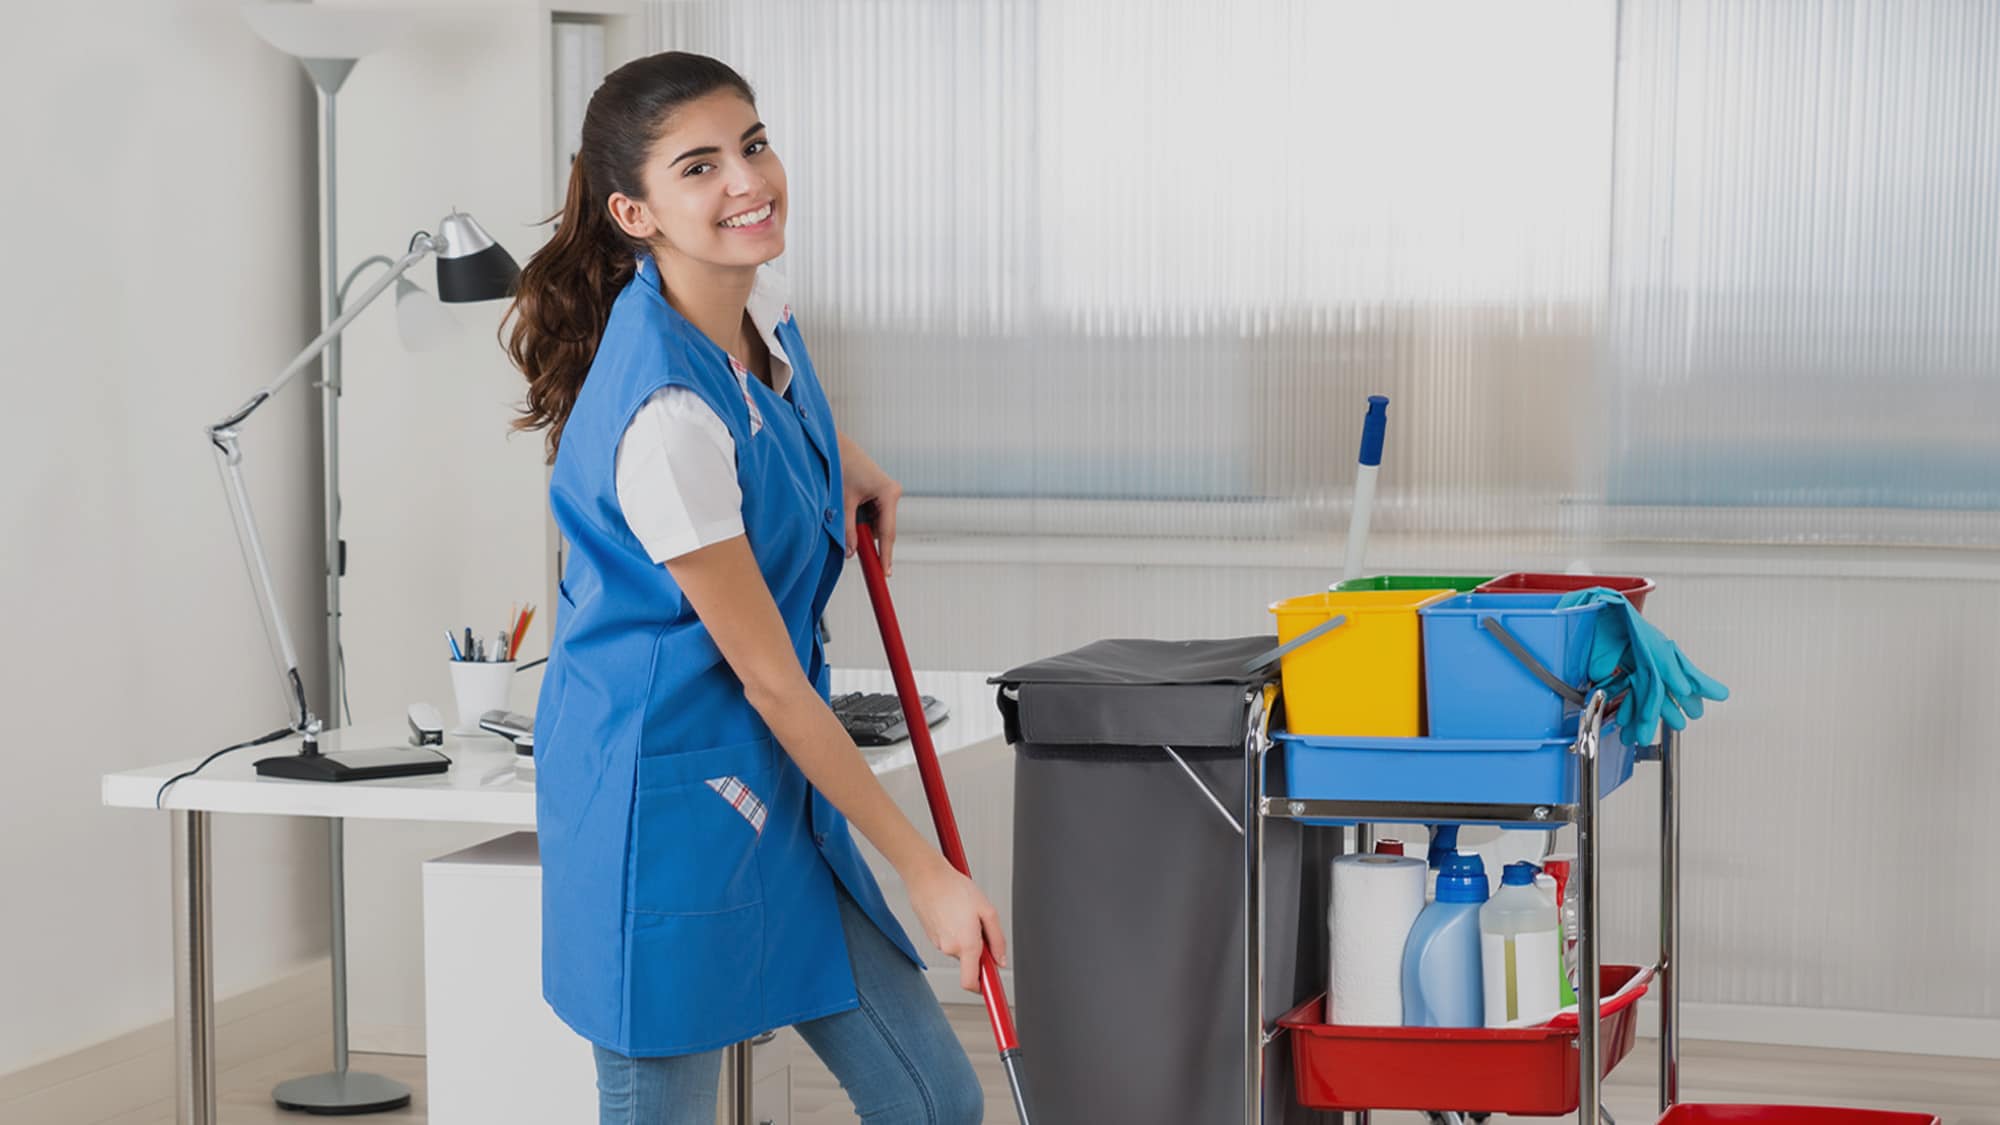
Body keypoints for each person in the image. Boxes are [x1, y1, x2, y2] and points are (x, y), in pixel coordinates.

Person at [503, 50, 995, 1125]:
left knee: (933, 1100)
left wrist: (838, 457)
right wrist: (923, 870)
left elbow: (765, 402)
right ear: (636, 212)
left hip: (772, 777)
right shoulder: (660, 423)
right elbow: (773, 681)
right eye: (699, 167)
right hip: (659, 793)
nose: (747, 181)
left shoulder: (754, 306)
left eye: (753, 144)